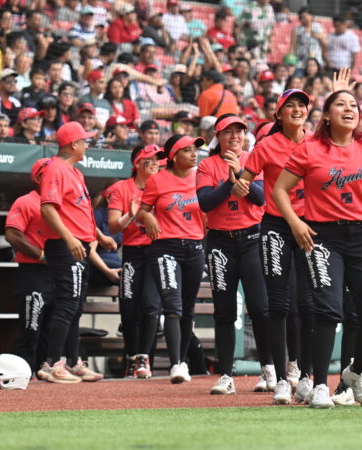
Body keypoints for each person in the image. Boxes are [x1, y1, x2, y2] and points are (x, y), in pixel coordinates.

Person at [272, 89, 362, 409]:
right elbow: (280, 190)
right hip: (323, 237)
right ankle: (322, 386)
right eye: (341, 104)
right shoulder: (309, 148)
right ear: (326, 115)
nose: (349, 108)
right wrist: (296, 223)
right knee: (328, 311)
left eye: (353, 105)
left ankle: (356, 373)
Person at [241, 89, 316, 404]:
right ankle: (283, 379)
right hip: (275, 226)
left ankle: (309, 376)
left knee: (310, 302)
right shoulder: (266, 146)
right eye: (290, 106)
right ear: (278, 114)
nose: (297, 110)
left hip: (312, 225)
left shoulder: (315, 142)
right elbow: (246, 179)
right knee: (279, 303)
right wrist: (239, 183)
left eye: (302, 105)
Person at [196, 114, 273, 395]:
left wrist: (241, 173)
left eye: (239, 132)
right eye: (228, 132)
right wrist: (230, 182)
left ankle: (268, 370)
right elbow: (205, 202)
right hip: (220, 242)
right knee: (225, 311)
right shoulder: (206, 164)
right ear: (219, 136)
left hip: (253, 238)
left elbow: (261, 197)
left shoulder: (254, 158)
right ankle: (226, 375)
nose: (235, 137)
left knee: (261, 307)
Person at [37, 122, 116, 383]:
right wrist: (70, 238)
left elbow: (81, 212)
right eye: (85, 141)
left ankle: (72, 362)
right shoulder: (55, 168)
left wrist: (99, 235)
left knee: (76, 306)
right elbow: (49, 208)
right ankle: (52, 364)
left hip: (79, 244)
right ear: (73, 144)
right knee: (68, 303)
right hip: (65, 245)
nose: (87, 145)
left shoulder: (75, 172)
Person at [139, 134, 206, 385]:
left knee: (188, 309)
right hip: (166, 247)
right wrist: (149, 218)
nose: (193, 154)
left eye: (195, 150)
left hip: (195, 247)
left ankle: (184, 361)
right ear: (174, 156)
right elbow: (142, 211)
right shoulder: (158, 180)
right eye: (187, 150)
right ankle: (176, 364)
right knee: (172, 306)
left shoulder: (201, 177)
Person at [106, 144, 162, 378]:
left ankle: (143, 359)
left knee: (150, 306)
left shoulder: (163, 185)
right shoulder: (121, 187)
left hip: (157, 250)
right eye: (150, 159)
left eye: (158, 159)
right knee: (129, 309)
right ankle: (131, 358)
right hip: (132, 253)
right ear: (137, 163)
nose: (156, 163)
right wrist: (131, 215)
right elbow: (113, 225)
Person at [5, 159, 53, 371]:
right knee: (31, 328)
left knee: (51, 330)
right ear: (39, 177)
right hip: (32, 272)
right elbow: (12, 235)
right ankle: (24, 376)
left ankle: (44, 374)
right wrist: (42, 255)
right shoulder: (26, 201)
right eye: (51, 174)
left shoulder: (59, 203)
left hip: (55, 274)